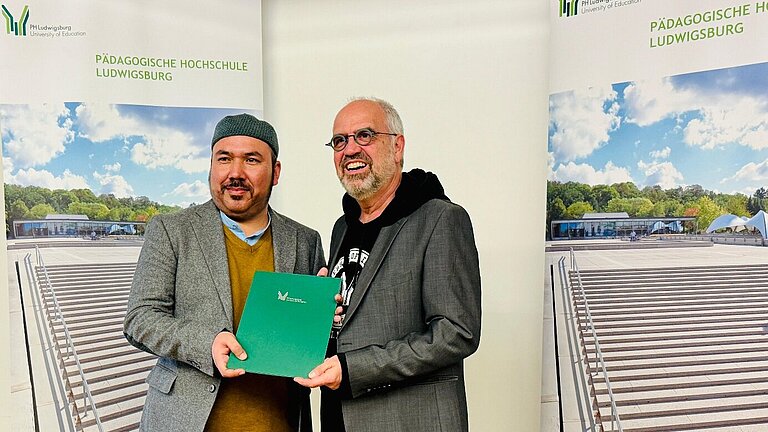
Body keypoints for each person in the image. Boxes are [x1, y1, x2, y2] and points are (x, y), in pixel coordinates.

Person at [124, 113, 326, 432]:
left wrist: (328, 318)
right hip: (185, 422)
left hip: (279, 422)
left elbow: (310, 337)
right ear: (211, 165)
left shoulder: (305, 240)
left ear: (275, 172)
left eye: (251, 159)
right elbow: (140, 319)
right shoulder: (172, 230)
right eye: (224, 158)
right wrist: (208, 342)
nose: (235, 173)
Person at [295, 98, 482, 431]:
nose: (350, 149)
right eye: (339, 141)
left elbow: (456, 333)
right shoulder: (343, 227)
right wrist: (318, 313)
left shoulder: (441, 219)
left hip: (409, 421)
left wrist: (354, 370)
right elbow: (353, 322)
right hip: (340, 417)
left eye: (364, 136)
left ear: (398, 147)